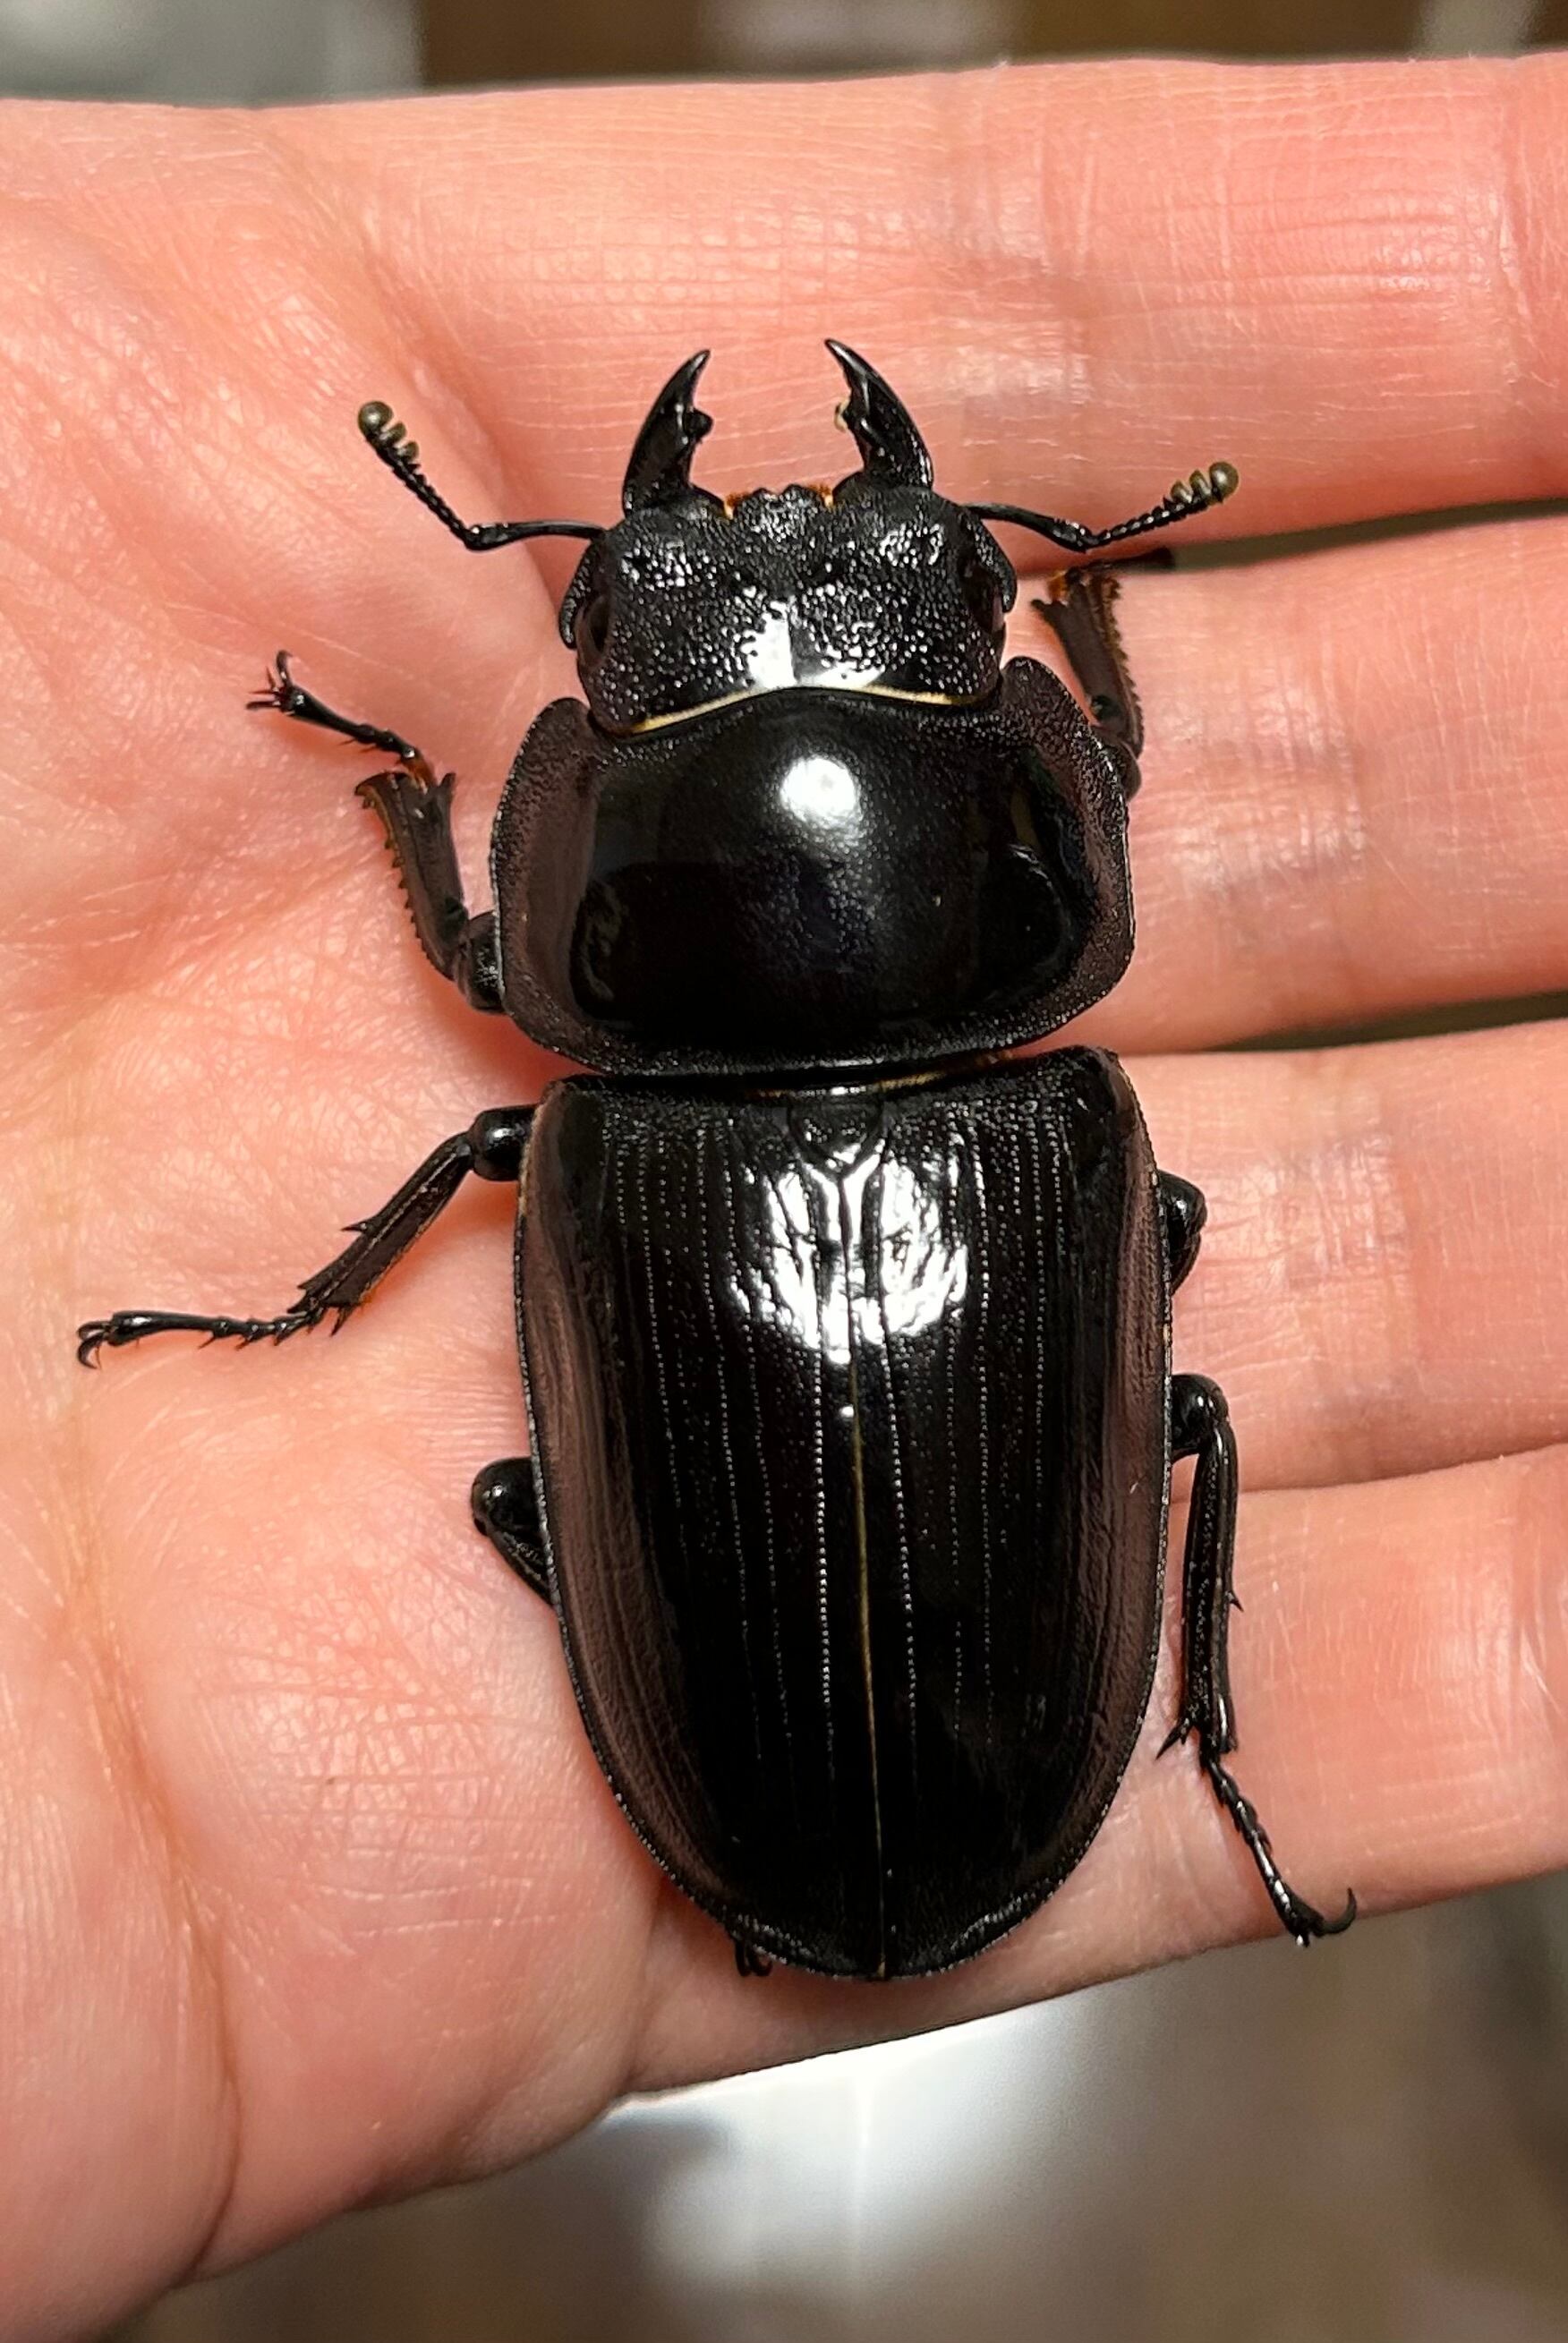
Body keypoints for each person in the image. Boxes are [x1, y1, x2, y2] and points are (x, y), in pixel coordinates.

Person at [9, 51, 1567, 2337]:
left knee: (535, 1240)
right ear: (1038, 831)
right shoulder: (1068, 1114)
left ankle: (1199, 1754)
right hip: (862, 1731)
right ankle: (1214, 1759)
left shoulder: (561, 1112)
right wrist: (1070, 583)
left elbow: (473, 951)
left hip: (751, 1750)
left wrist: (406, 785)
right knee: (1197, 1398)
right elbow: (1090, 787)